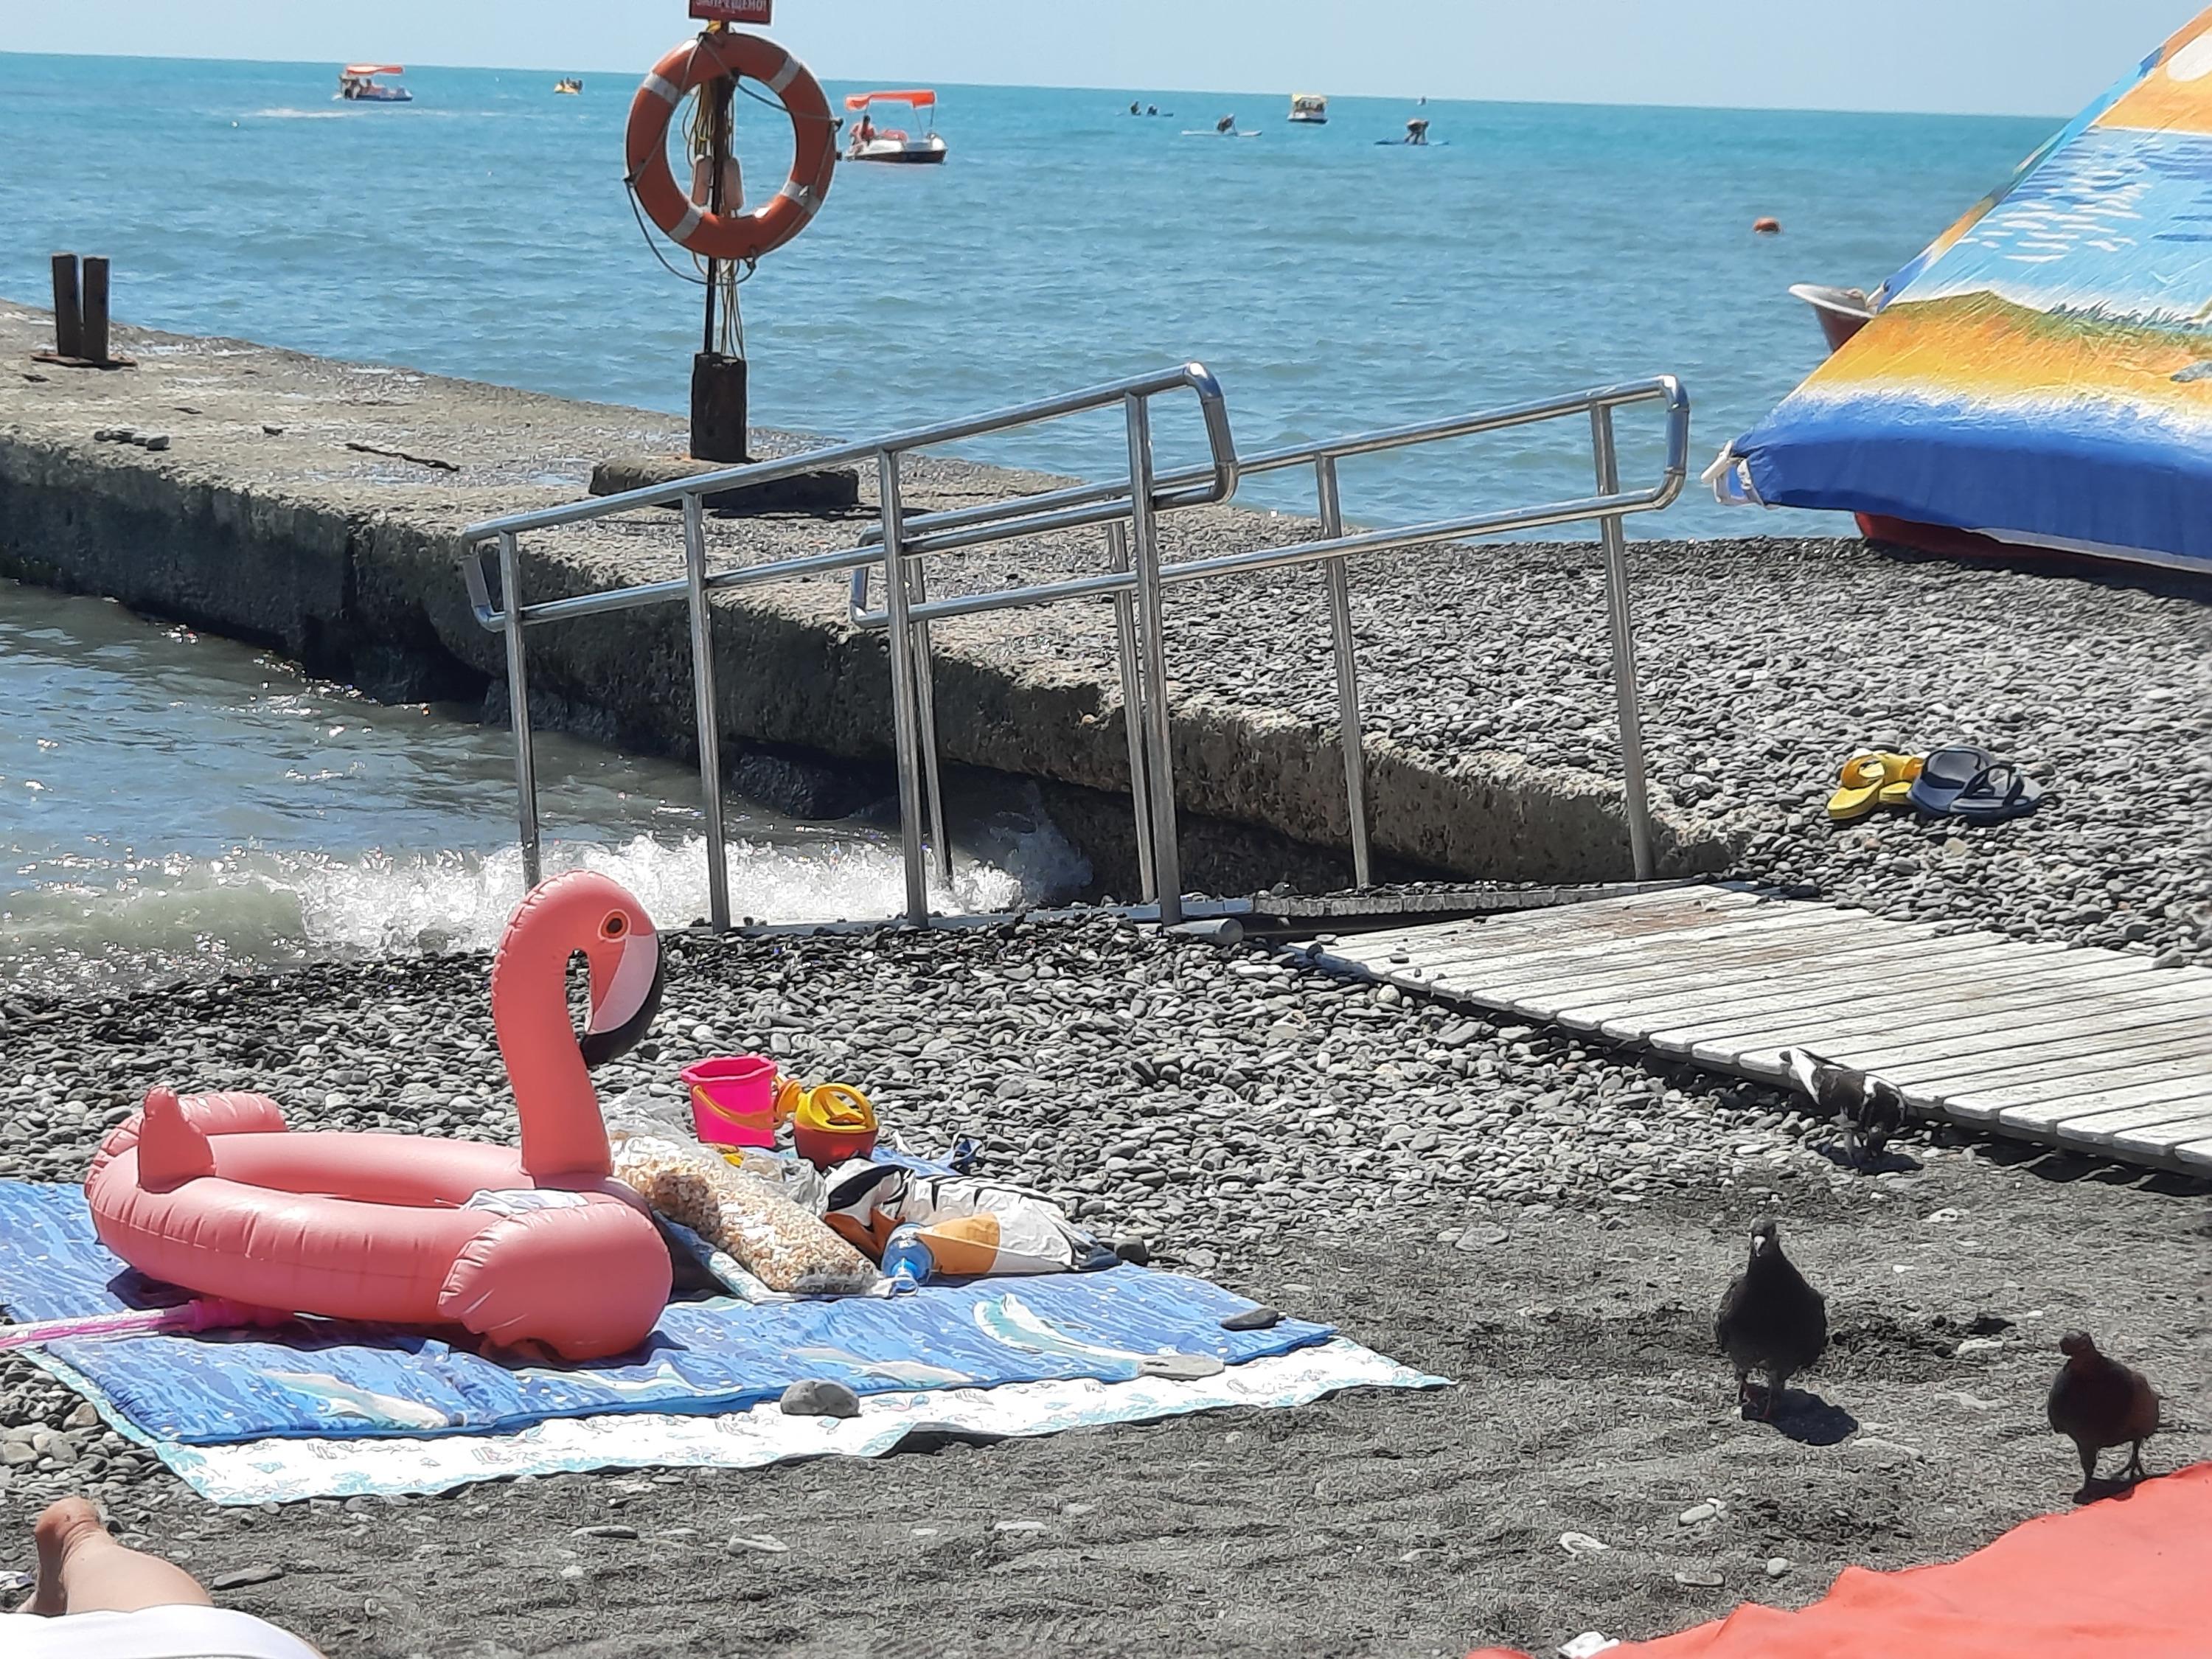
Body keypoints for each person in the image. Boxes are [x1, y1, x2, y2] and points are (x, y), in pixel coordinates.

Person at [6, 1497, 321, 1658]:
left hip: (227, 1644)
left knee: (163, 1620)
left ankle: (79, 1544)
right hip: (221, 1645)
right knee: (162, 1620)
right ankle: (78, 1543)